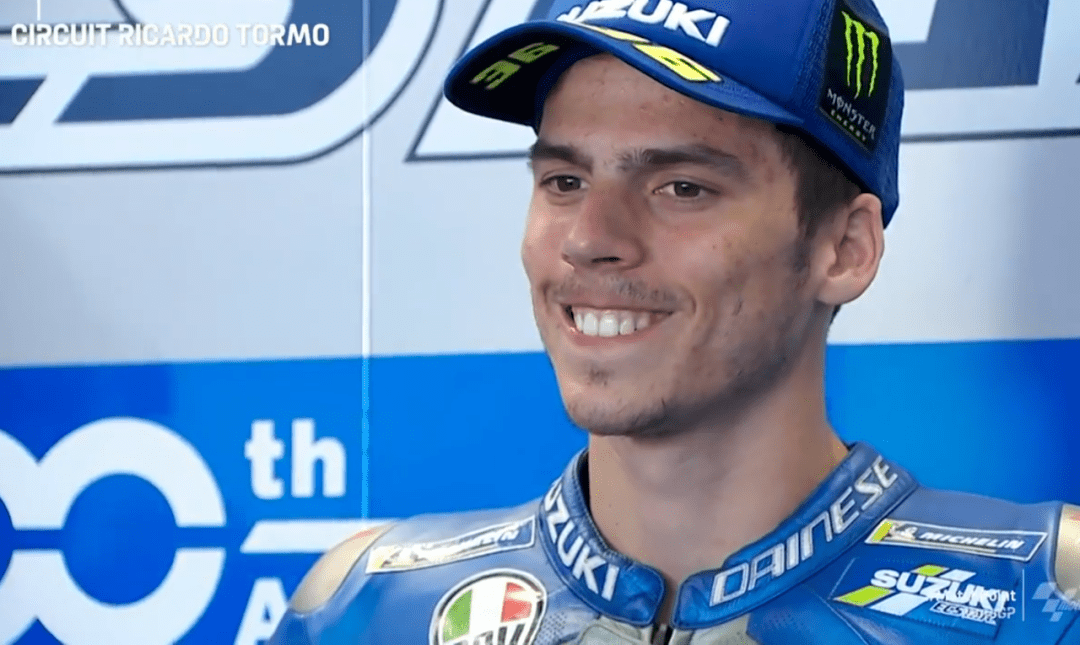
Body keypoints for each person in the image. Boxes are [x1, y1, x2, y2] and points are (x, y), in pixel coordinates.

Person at [269, 0, 1080, 642]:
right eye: (564, 181)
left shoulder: (1043, 601)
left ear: (844, 248)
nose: (590, 239)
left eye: (681, 187)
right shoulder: (362, 609)